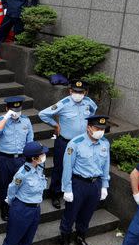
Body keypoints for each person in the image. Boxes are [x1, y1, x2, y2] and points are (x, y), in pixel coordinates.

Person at [38, 80, 98, 209]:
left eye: (81, 92)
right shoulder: (64, 103)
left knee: (77, 169)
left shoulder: (88, 102)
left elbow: (93, 113)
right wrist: (55, 124)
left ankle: (71, 191)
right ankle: (55, 194)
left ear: (85, 92)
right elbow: (43, 114)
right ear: (70, 91)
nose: (78, 94)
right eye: (75, 91)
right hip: (65, 142)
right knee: (60, 168)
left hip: (82, 143)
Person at [59, 115, 111, 245]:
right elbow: (67, 167)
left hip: (95, 184)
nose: (100, 131)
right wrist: (67, 189)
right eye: (97, 128)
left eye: (103, 129)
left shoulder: (105, 143)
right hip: (78, 183)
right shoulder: (75, 143)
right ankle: (64, 240)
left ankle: (80, 237)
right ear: (89, 128)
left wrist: (104, 185)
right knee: (71, 213)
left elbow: (106, 165)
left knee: (87, 214)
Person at [0, 141, 49, 245]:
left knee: (28, 237)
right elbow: (12, 189)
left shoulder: (40, 167)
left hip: (35, 208)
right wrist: (12, 205)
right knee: (12, 238)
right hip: (22, 208)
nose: (44, 155)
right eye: (41, 154)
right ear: (33, 158)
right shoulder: (22, 173)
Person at [0, 96, 34, 221]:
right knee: (4, 185)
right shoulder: (0, 120)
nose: (16, 113)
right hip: (4, 158)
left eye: (18, 110)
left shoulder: (26, 121)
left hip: (21, 159)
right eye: (13, 110)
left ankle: (17, 207)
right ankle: (4, 209)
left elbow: (30, 141)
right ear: (7, 109)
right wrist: (6, 117)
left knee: (20, 184)